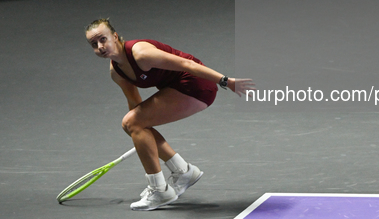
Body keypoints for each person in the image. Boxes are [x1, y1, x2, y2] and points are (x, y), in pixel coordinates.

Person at [84, 18, 255, 211]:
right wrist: (140, 132)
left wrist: (226, 81)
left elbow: (186, 64)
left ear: (114, 37)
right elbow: (134, 105)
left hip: (196, 85)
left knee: (133, 122)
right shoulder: (116, 72)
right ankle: (183, 172)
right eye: (94, 44)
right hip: (175, 88)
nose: (100, 46)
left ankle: (159, 190)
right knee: (131, 124)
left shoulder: (140, 53)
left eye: (103, 39)